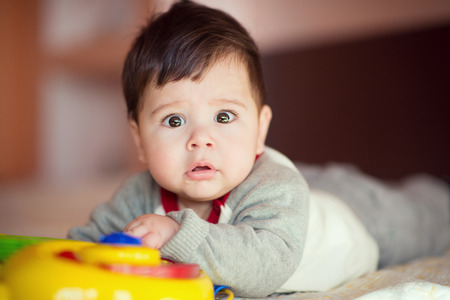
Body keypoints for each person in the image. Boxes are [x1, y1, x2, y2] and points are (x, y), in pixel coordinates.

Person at [68, 0, 450, 297]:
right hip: (292, 188)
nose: (201, 139)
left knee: (431, 217)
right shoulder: (139, 196)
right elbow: (87, 246)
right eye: (174, 121)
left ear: (260, 128)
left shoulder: (275, 188)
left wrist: (173, 234)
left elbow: (264, 266)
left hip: (360, 219)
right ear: (138, 140)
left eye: (223, 117)